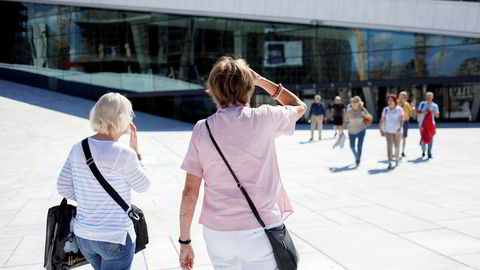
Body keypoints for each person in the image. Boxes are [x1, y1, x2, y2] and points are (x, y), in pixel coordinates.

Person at [178, 56, 306, 270]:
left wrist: (185, 242)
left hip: (217, 234)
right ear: (248, 86)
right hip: (261, 230)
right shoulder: (266, 117)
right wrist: (262, 81)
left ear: (213, 89)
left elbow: (189, 193)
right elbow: (298, 106)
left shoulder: (202, 129)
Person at [57, 93, 150, 270]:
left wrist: (90, 199)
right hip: (114, 237)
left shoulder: (78, 148)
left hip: (84, 237)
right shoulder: (125, 154)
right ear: (122, 118)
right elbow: (144, 186)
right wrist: (137, 152)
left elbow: (62, 187)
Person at [344, 96, 372, 167]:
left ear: (359, 103)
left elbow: (370, 117)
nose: (354, 103)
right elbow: (346, 120)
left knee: (360, 145)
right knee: (352, 146)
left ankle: (358, 159)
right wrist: (342, 129)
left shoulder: (363, 109)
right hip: (351, 131)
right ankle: (357, 157)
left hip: (361, 130)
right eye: (353, 102)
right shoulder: (349, 111)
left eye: (356, 102)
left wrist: (365, 115)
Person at [380, 94, 404, 169]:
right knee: (389, 146)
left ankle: (396, 159)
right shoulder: (385, 109)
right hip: (388, 130)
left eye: (391, 100)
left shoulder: (399, 109)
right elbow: (382, 119)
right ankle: (390, 162)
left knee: (397, 146)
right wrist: (381, 129)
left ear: (395, 101)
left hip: (397, 130)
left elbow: (401, 119)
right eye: (389, 100)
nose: (390, 102)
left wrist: (400, 127)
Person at [417, 92, 440, 159]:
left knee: (430, 138)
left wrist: (432, 111)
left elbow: (437, 115)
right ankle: (423, 151)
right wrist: (423, 112)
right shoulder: (422, 104)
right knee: (423, 138)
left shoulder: (434, 105)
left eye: (430, 97)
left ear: (432, 97)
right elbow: (418, 112)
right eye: (427, 97)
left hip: (431, 125)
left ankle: (429, 152)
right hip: (422, 124)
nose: (428, 98)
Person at [398, 91, 413, 158]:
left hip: (405, 122)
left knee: (404, 137)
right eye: (401, 96)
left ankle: (402, 152)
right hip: (397, 122)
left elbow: (410, 113)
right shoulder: (396, 103)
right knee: (397, 138)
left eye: (404, 96)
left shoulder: (407, 104)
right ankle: (396, 151)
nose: (402, 97)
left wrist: (413, 108)